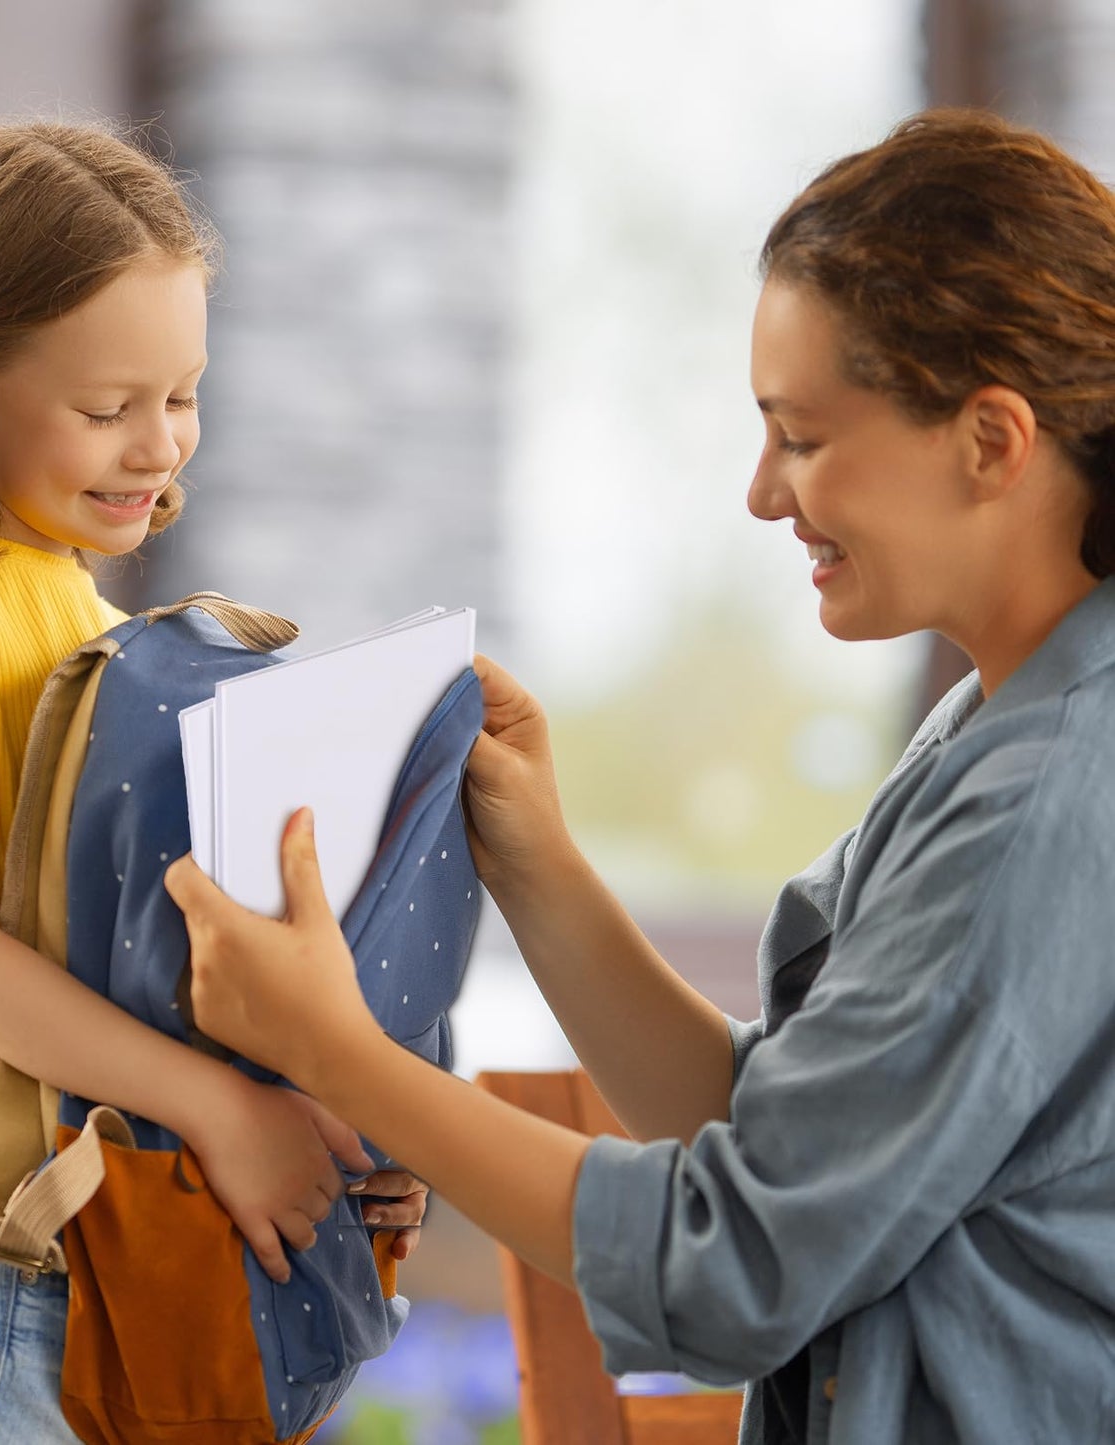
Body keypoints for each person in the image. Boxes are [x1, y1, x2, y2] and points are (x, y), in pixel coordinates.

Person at [165, 109, 1115, 1444]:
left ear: (991, 440)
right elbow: (787, 1141)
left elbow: (736, 1268)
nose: (762, 494)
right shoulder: (1001, 722)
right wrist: (541, 869)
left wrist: (332, 1052)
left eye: (801, 436)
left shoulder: (1046, 802)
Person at [0, 121, 424, 1443]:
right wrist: (222, 1111)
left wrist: (317, 1113)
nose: (158, 446)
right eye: (106, 408)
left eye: (182, 396)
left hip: (111, 1243)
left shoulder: (83, 611)